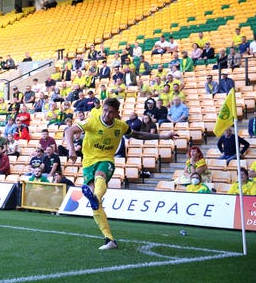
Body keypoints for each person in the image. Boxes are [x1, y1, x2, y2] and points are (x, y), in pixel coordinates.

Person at [64, 97, 177, 250]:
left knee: (100, 177)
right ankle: (109, 239)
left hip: (106, 160)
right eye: (105, 110)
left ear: (117, 113)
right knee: (95, 204)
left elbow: (138, 135)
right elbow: (70, 130)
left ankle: (95, 197)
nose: (106, 114)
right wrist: (71, 149)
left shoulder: (121, 126)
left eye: (111, 112)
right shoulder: (92, 121)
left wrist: (162, 136)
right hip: (88, 163)